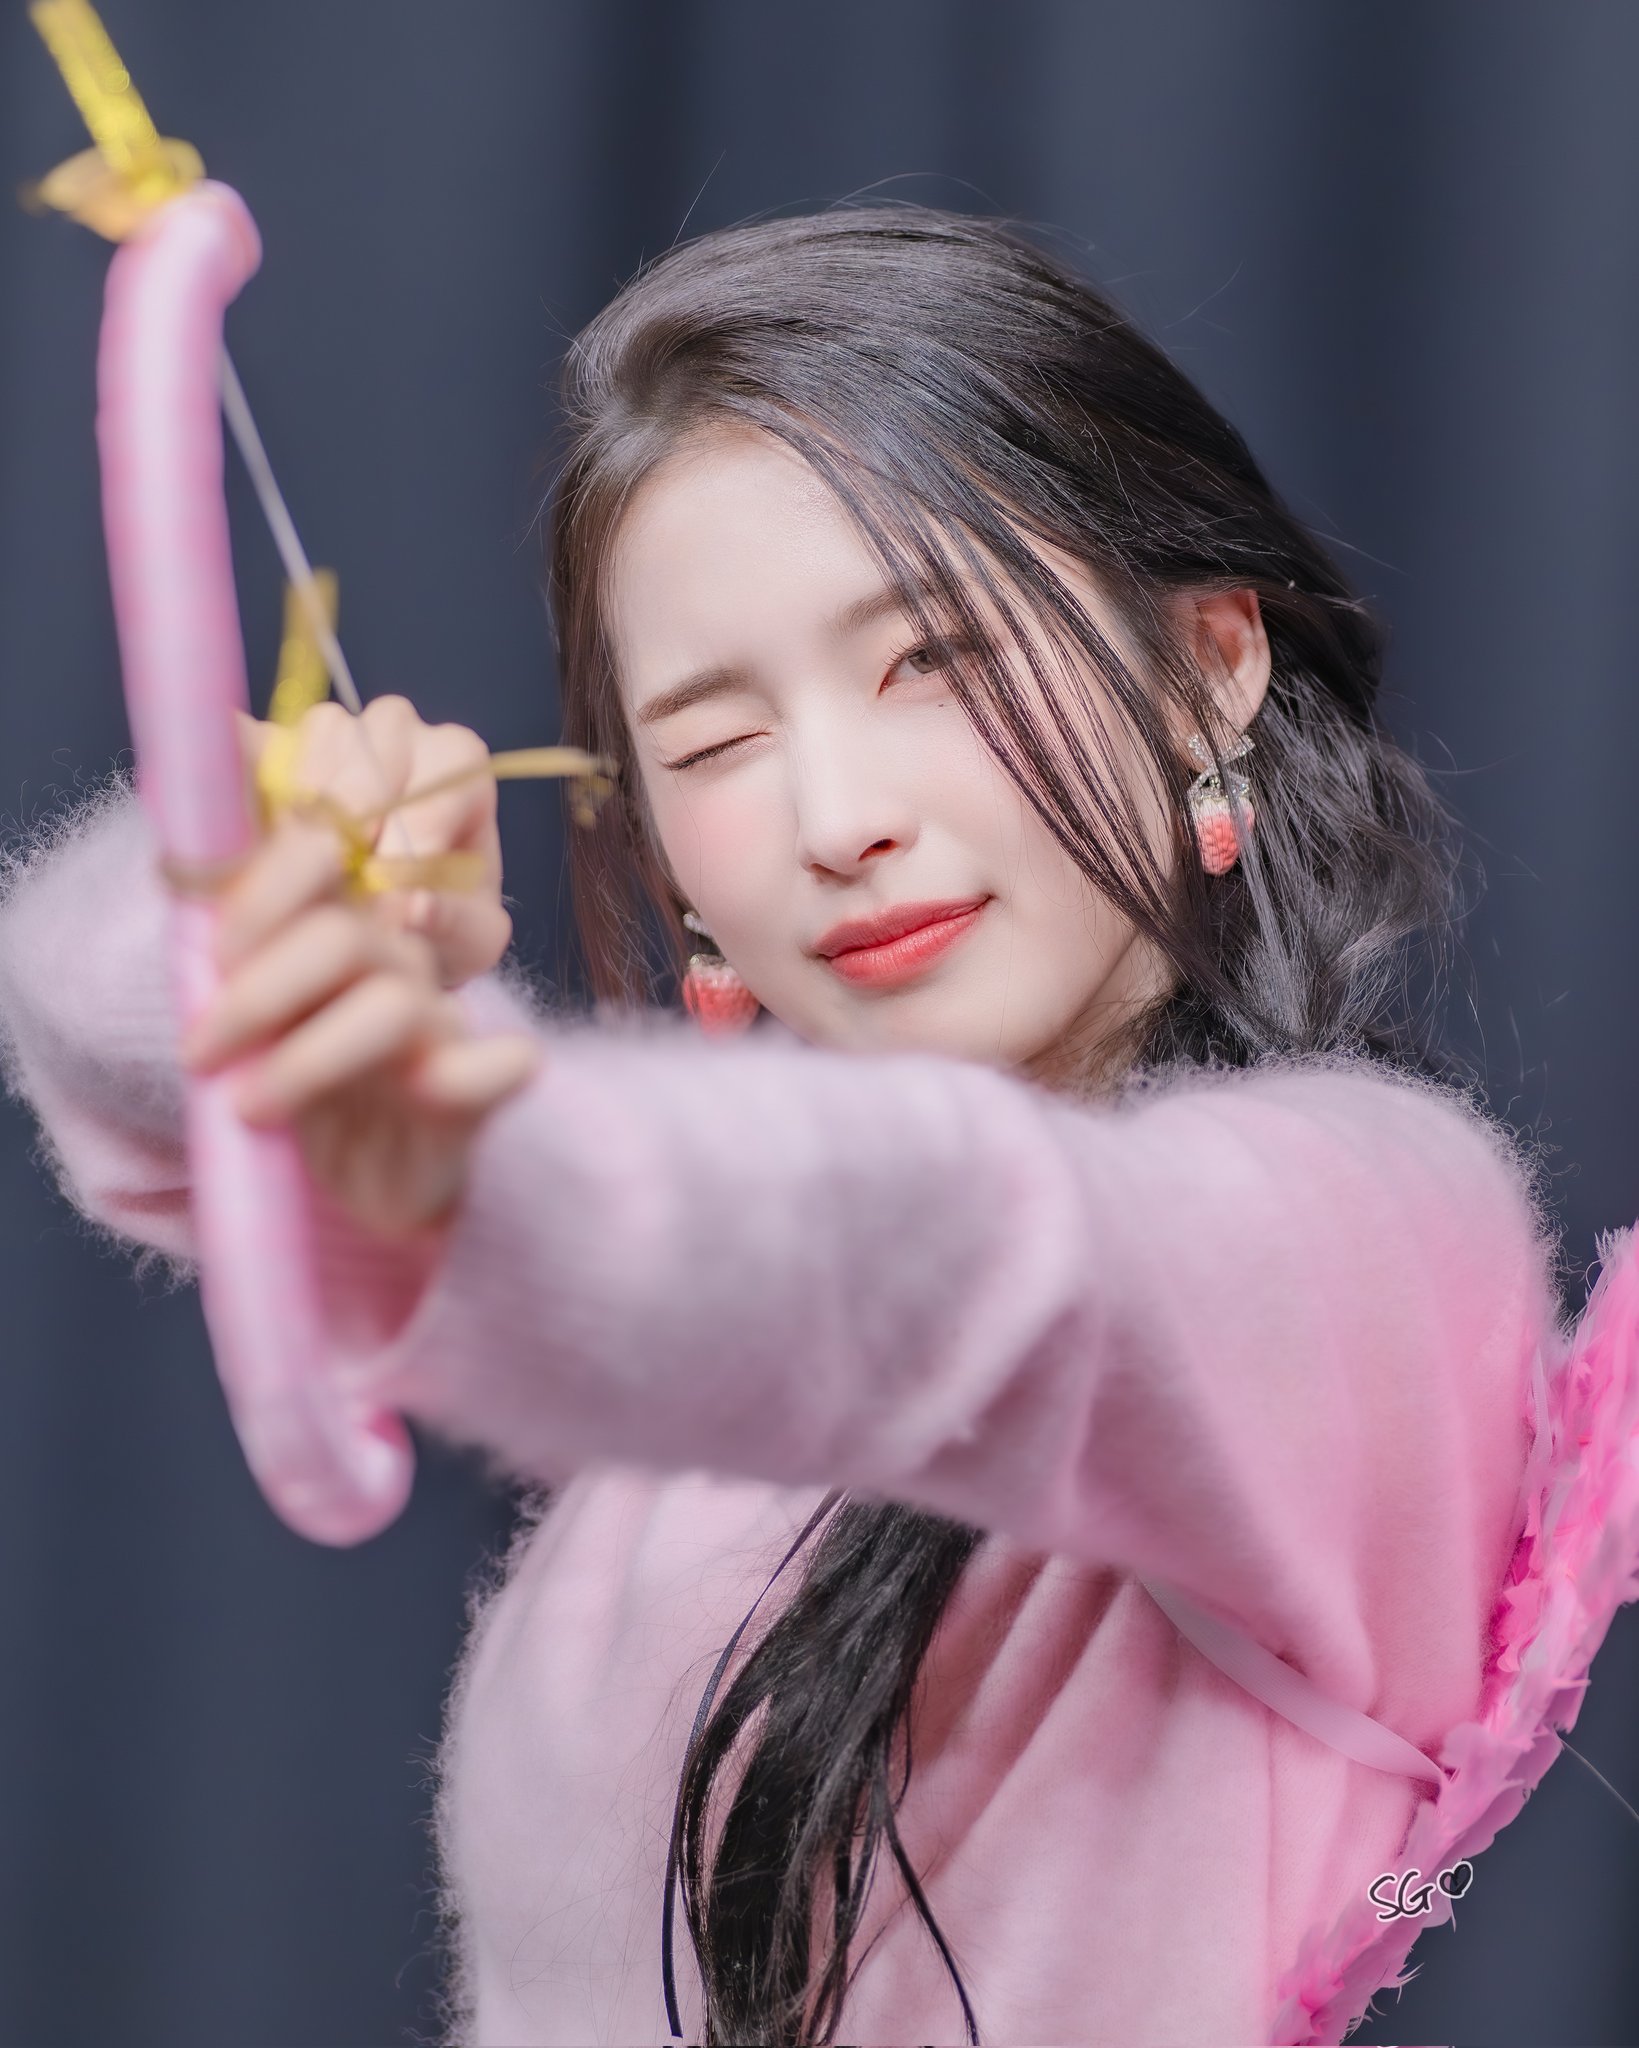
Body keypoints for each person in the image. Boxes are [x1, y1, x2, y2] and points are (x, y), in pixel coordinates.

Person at [0, 206, 1569, 2046]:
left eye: (934, 659)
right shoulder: (685, 1418)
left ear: (1210, 660)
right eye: (715, 742)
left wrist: (440, 1124)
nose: (836, 818)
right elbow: (147, 1071)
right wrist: (264, 898)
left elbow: (972, 1260)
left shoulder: (1371, 1242)